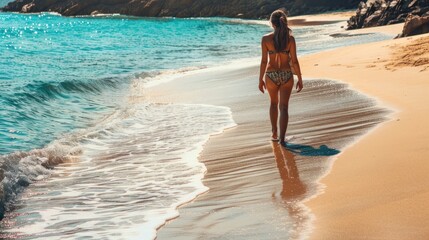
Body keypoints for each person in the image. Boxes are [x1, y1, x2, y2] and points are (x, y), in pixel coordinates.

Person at [258, 9, 303, 145]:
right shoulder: (290, 40)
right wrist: (300, 79)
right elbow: (294, 61)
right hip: (286, 74)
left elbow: (264, 61)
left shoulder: (265, 39)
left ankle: (274, 133)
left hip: (271, 75)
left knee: (273, 104)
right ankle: (282, 139)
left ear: (272, 23)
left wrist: (260, 79)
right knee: (284, 107)